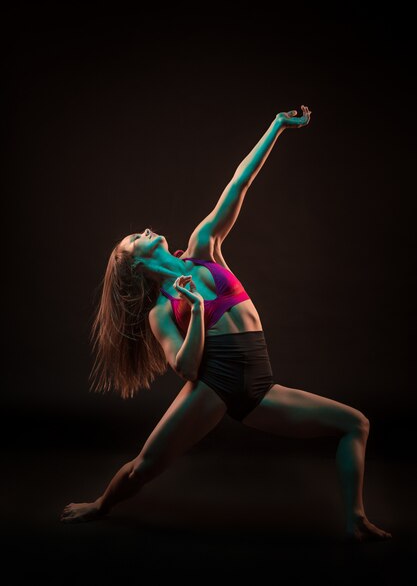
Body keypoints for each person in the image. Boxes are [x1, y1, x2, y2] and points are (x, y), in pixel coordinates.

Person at [60, 106, 392, 542]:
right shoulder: (164, 309)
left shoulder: (203, 248)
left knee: (357, 423)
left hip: (258, 385)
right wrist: (196, 312)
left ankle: (356, 519)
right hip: (214, 387)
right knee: (145, 465)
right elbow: (187, 369)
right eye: (134, 239)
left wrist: (276, 127)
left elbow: (240, 184)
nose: (143, 230)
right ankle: (101, 505)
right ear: (136, 264)